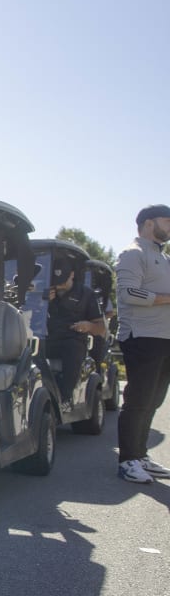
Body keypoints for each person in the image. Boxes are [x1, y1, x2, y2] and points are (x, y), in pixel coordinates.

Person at [115, 204, 170, 483]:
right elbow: (129, 293)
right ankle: (127, 461)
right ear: (149, 223)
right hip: (142, 337)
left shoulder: (164, 258)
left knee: (153, 401)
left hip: (164, 339)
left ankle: (140, 456)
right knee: (138, 401)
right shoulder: (133, 253)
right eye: (167, 220)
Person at [44, 260, 105, 407]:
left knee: (72, 349)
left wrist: (88, 325)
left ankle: (65, 398)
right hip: (48, 338)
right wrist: (44, 302)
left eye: (62, 280)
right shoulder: (46, 291)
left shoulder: (86, 294)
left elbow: (101, 328)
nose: (59, 285)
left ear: (71, 275)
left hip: (73, 339)